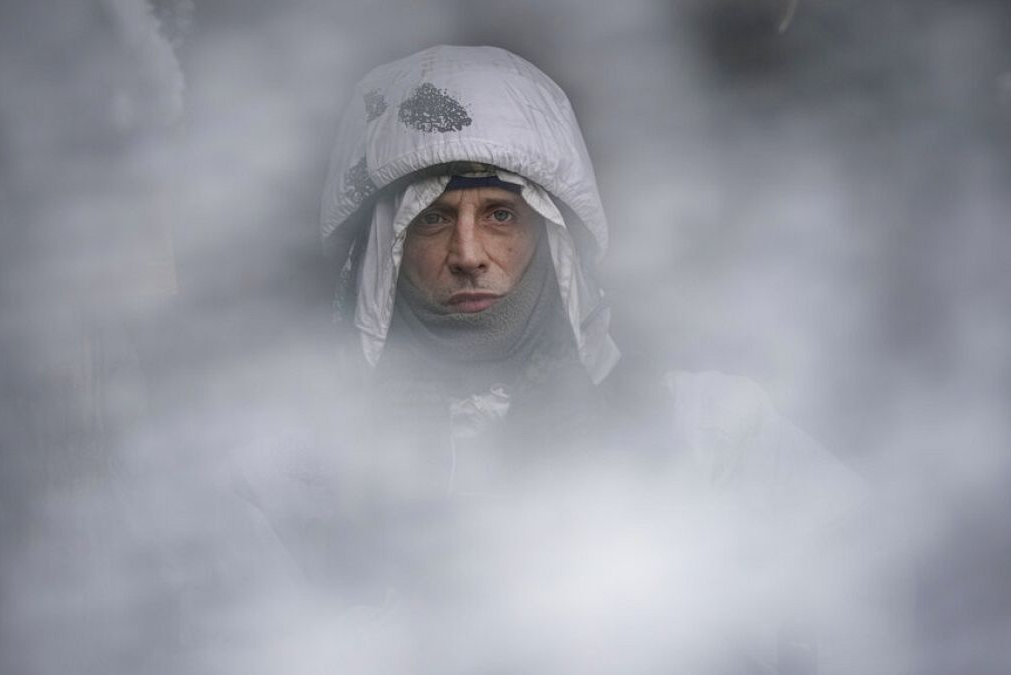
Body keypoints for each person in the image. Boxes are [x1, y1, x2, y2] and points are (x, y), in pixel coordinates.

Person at [236, 45, 888, 674]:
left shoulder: (712, 436)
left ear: (551, 240)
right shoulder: (294, 478)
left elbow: (881, 613)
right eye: (433, 219)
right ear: (385, 251)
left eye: (499, 214)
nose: (469, 253)